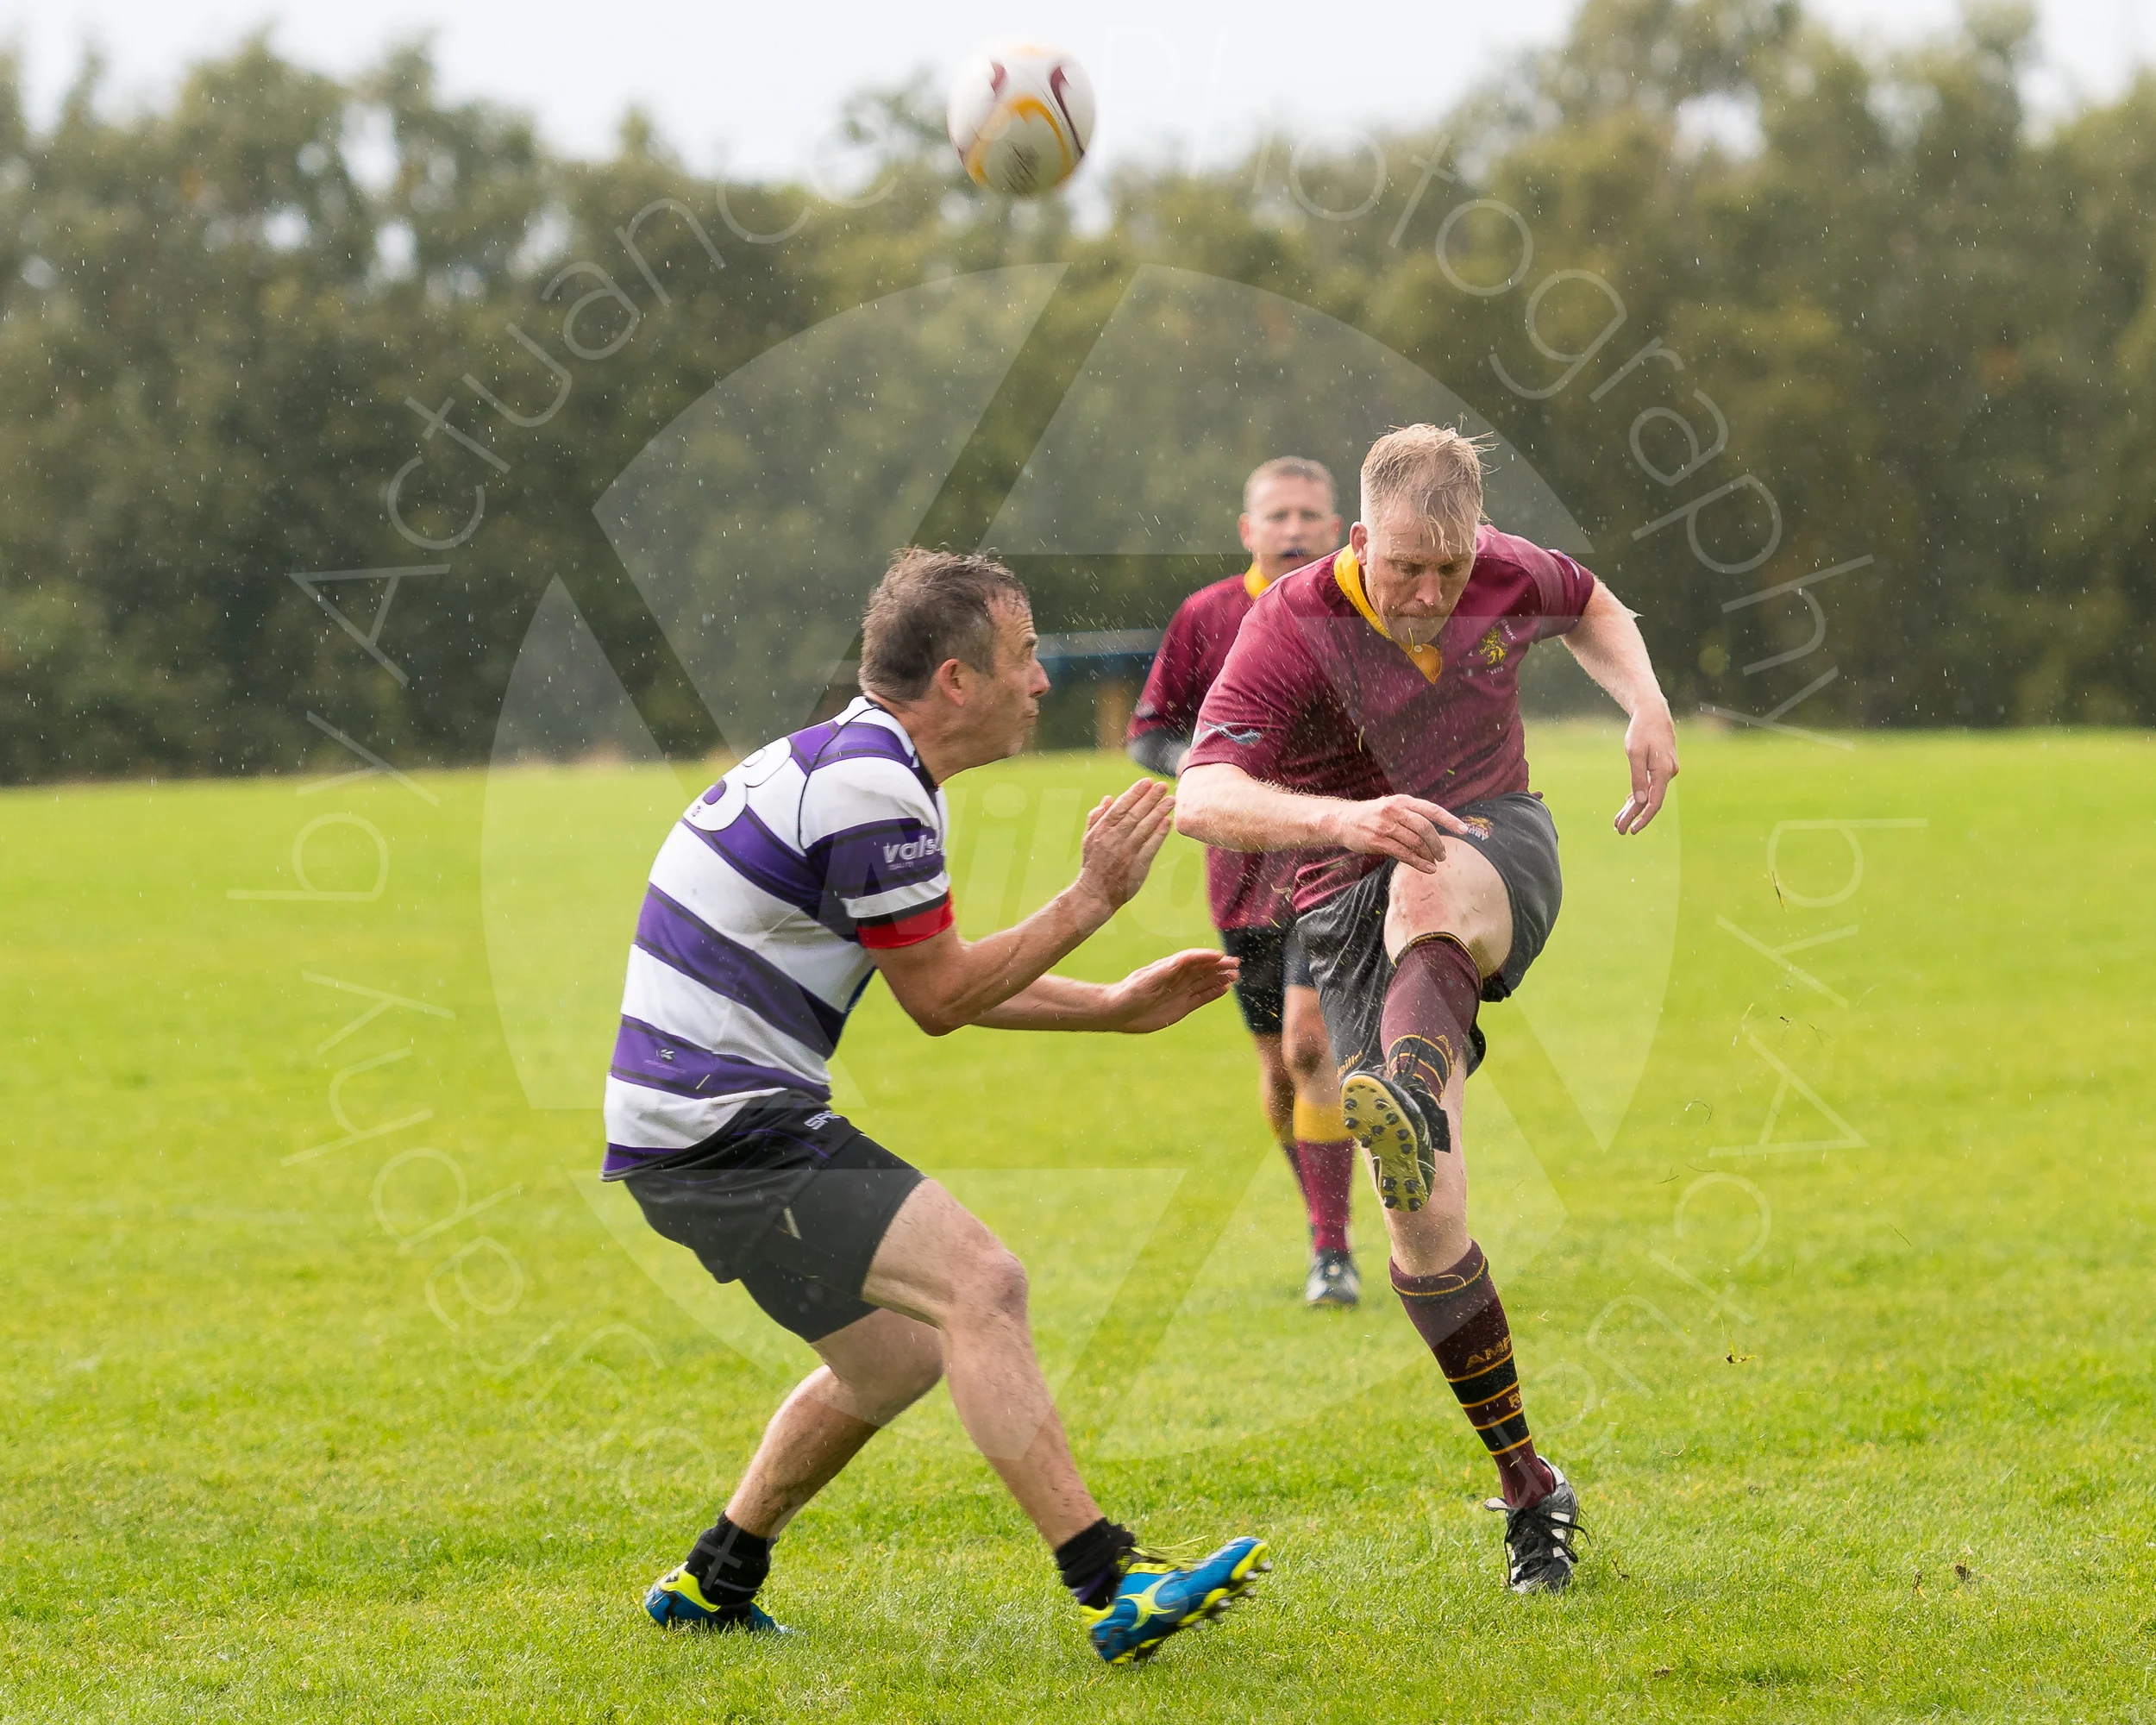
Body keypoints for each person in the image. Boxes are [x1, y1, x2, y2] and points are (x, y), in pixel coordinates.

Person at [605, 549, 1269, 1662]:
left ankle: (716, 1579)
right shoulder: (874, 789)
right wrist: (1091, 900)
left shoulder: (865, 766)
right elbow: (944, 998)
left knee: (897, 1356)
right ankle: (1111, 1582)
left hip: (695, 1126)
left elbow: (938, 968)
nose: (1043, 682)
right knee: (982, 1284)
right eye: (1024, 657)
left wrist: (1108, 1007)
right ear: (956, 681)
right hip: (723, 1129)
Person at [1175, 424, 1679, 1595]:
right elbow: (1200, 797)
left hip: (1498, 843)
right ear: (1362, 538)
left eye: (1448, 572)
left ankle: (1403, 1087)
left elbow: (1595, 601)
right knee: (1427, 1228)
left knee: (1433, 874)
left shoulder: (1499, 565)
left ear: (1475, 547)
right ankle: (1527, 1485)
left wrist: (1644, 704)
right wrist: (1340, 821)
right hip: (1342, 895)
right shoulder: (1292, 622)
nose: (1428, 594)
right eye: (1405, 567)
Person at [1126, 457, 1363, 1308]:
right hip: (1240, 871)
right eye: (1278, 514)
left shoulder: (1361, 608)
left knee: (1309, 1041)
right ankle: (1322, 1217)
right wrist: (1208, 765)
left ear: (1337, 525)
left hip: (1338, 860)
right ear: (1247, 529)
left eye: (1310, 512)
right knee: (1275, 1062)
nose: (1294, 527)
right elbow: (1148, 731)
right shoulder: (1207, 616)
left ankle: (1331, 1253)